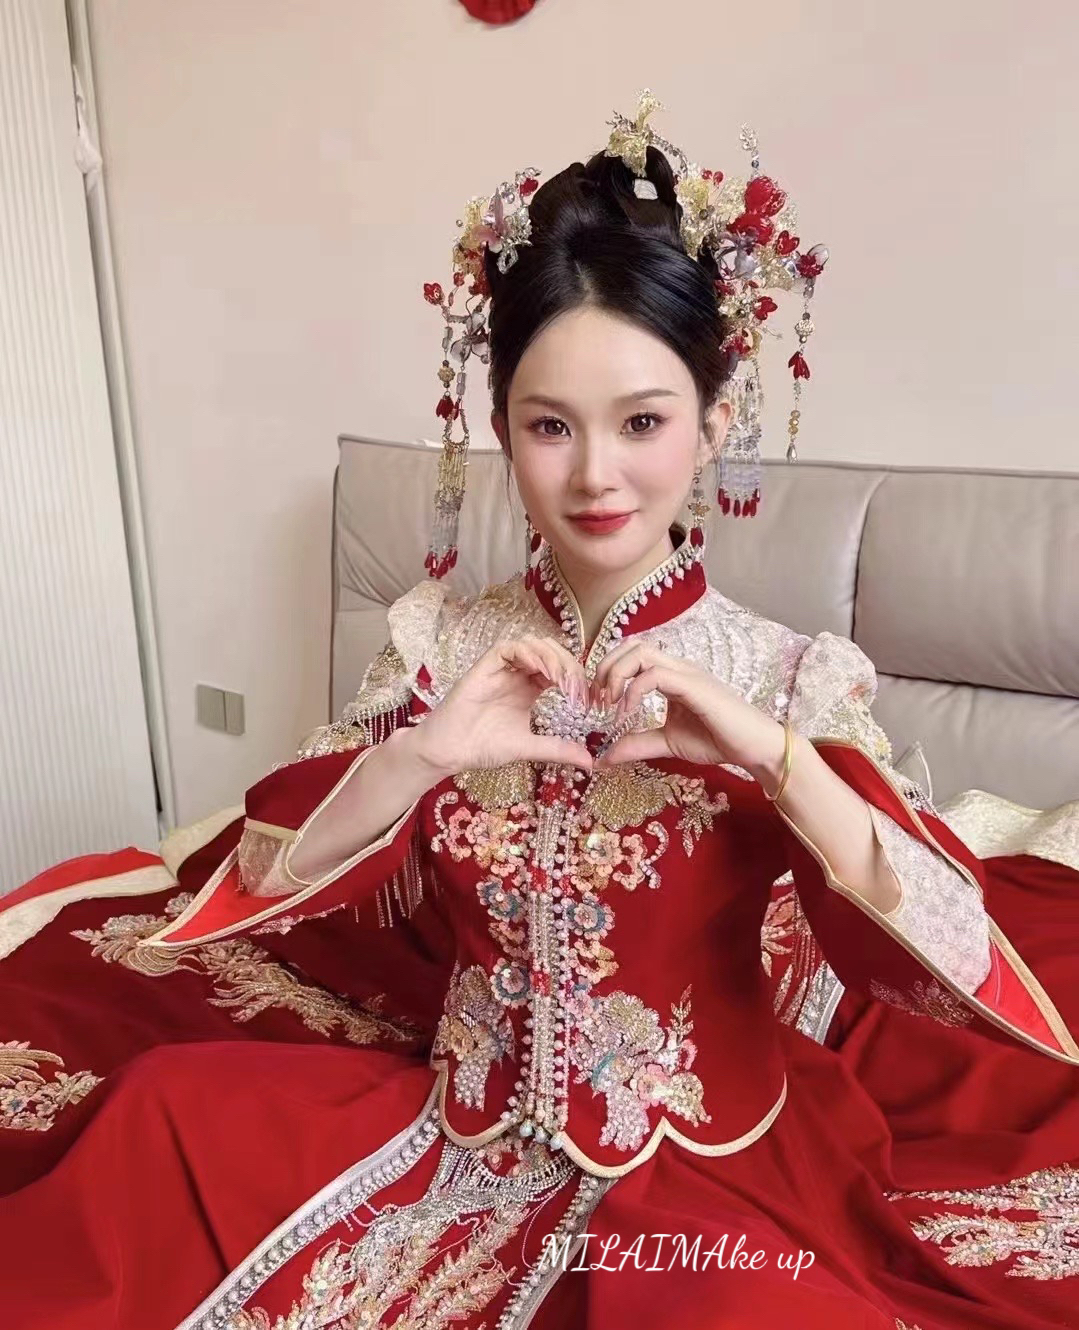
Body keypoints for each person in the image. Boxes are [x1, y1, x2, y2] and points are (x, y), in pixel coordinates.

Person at [1, 91, 1077, 1330]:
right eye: (549, 425)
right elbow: (266, 870)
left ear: (712, 427)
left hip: (705, 1164)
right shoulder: (440, 643)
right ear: (500, 431)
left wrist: (775, 760)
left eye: (642, 422)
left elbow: (945, 945)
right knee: (156, 1119)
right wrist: (421, 756)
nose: (595, 475)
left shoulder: (786, 678)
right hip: (451, 1124)